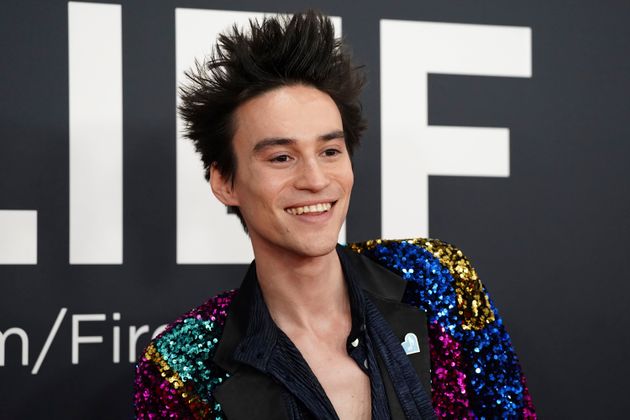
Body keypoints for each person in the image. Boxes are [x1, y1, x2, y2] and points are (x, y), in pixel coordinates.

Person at [134, 10, 535, 419]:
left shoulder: (433, 277)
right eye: (281, 157)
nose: (315, 179)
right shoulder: (181, 367)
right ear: (225, 182)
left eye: (329, 151)